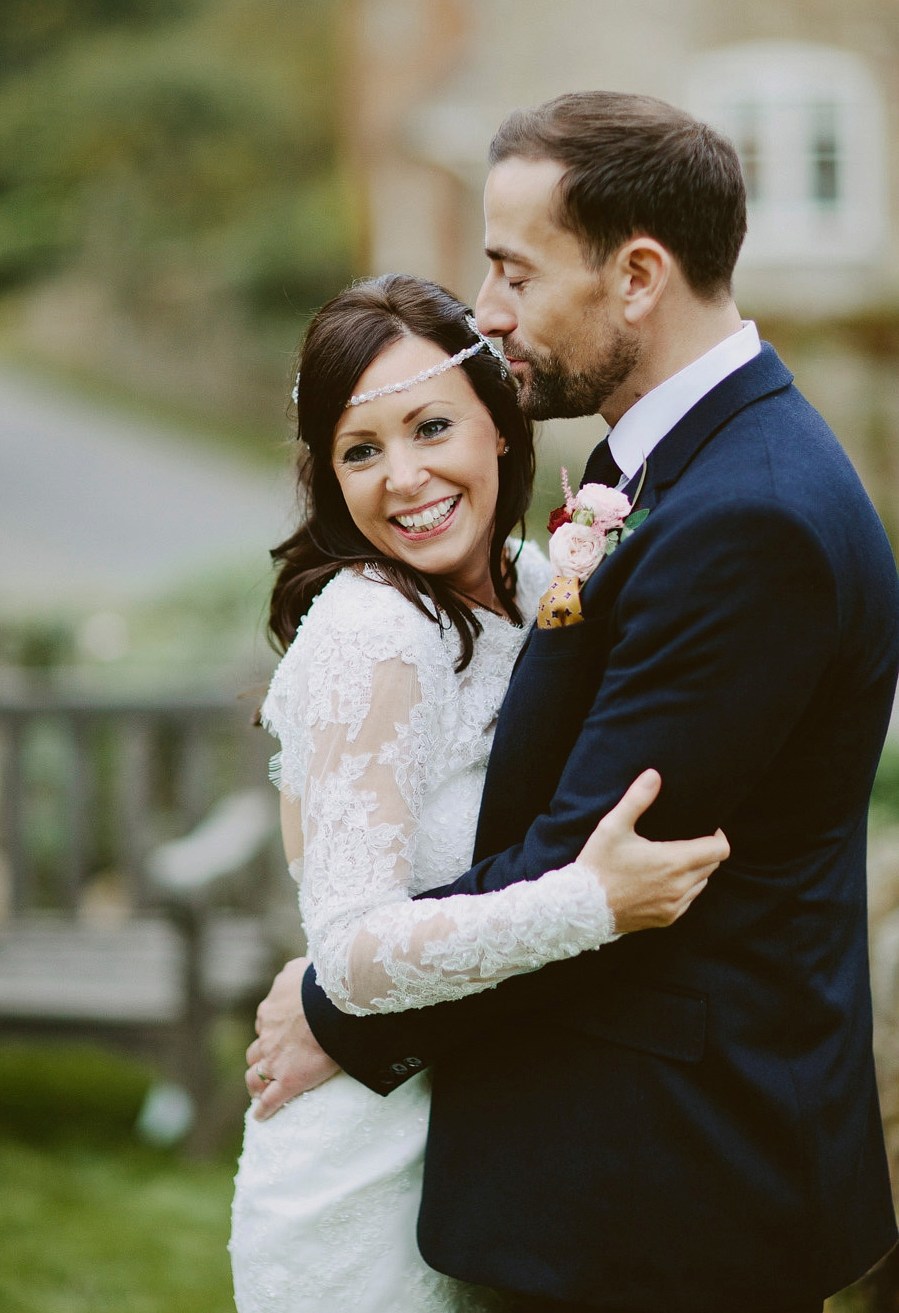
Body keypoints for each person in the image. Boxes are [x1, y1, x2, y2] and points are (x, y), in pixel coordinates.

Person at [249, 94, 899, 1313]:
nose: (487, 314)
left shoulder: (746, 516)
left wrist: (341, 1014)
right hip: (614, 1170)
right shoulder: (667, 466)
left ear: (638, 275)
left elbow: (595, 857)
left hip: (668, 1181)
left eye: (512, 271)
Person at [229, 273, 728, 1313]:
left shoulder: (536, 575)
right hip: (367, 1174)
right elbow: (355, 959)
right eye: (360, 451)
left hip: (488, 1142)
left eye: (429, 427)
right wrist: (592, 904)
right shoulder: (374, 628)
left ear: (500, 425)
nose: (403, 478)